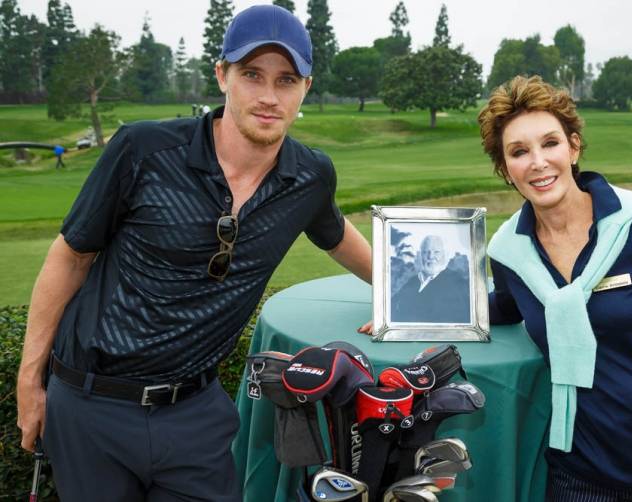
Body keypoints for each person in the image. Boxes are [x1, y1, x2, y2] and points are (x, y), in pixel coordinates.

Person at [15, 5, 371, 502]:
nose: (269, 97)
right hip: (91, 406)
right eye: (252, 75)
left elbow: (337, 236)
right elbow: (70, 257)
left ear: (305, 89)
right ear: (222, 74)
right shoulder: (143, 150)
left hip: (196, 414)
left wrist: (405, 301)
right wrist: (30, 381)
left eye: (286, 80)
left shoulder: (309, 176)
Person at [479, 75, 632, 500]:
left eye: (550, 143)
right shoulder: (509, 252)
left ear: (573, 147)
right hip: (579, 472)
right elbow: (502, 306)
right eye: (519, 152)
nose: (538, 162)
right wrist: (407, 309)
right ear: (505, 168)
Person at [391, 235, 470, 323]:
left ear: (445, 254)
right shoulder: (414, 280)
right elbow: (393, 305)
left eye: (436, 252)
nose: (431, 256)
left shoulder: (457, 283)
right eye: (426, 252)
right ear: (421, 255)